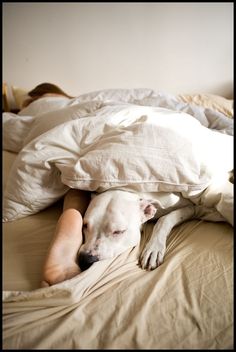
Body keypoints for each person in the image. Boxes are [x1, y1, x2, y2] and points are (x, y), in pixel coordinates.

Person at [20, 83, 90, 286]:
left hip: (53, 129)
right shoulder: (76, 100)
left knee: (73, 181)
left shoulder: (31, 106)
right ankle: (76, 219)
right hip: (87, 127)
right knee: (85, 176)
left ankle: (71, 220)